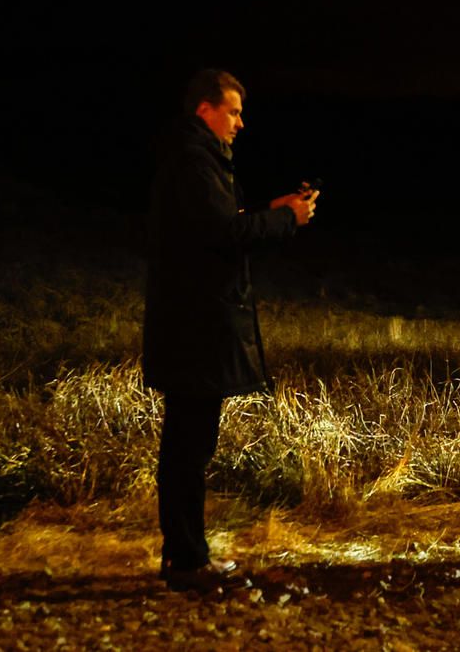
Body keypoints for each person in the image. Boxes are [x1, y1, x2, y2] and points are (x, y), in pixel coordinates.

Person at [142, 69, 317, 589]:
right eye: (234, 111)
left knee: (188, 444)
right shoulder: (196, 163)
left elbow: (220, 225)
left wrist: (272, 211)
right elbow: (223, 233)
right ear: (206, 110)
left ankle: (186, 555)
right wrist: (286, 221)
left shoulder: (192, 160)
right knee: (188, 447)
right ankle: (187, 560)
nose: (241, 122)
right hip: (195, 327)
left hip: (190, 324)